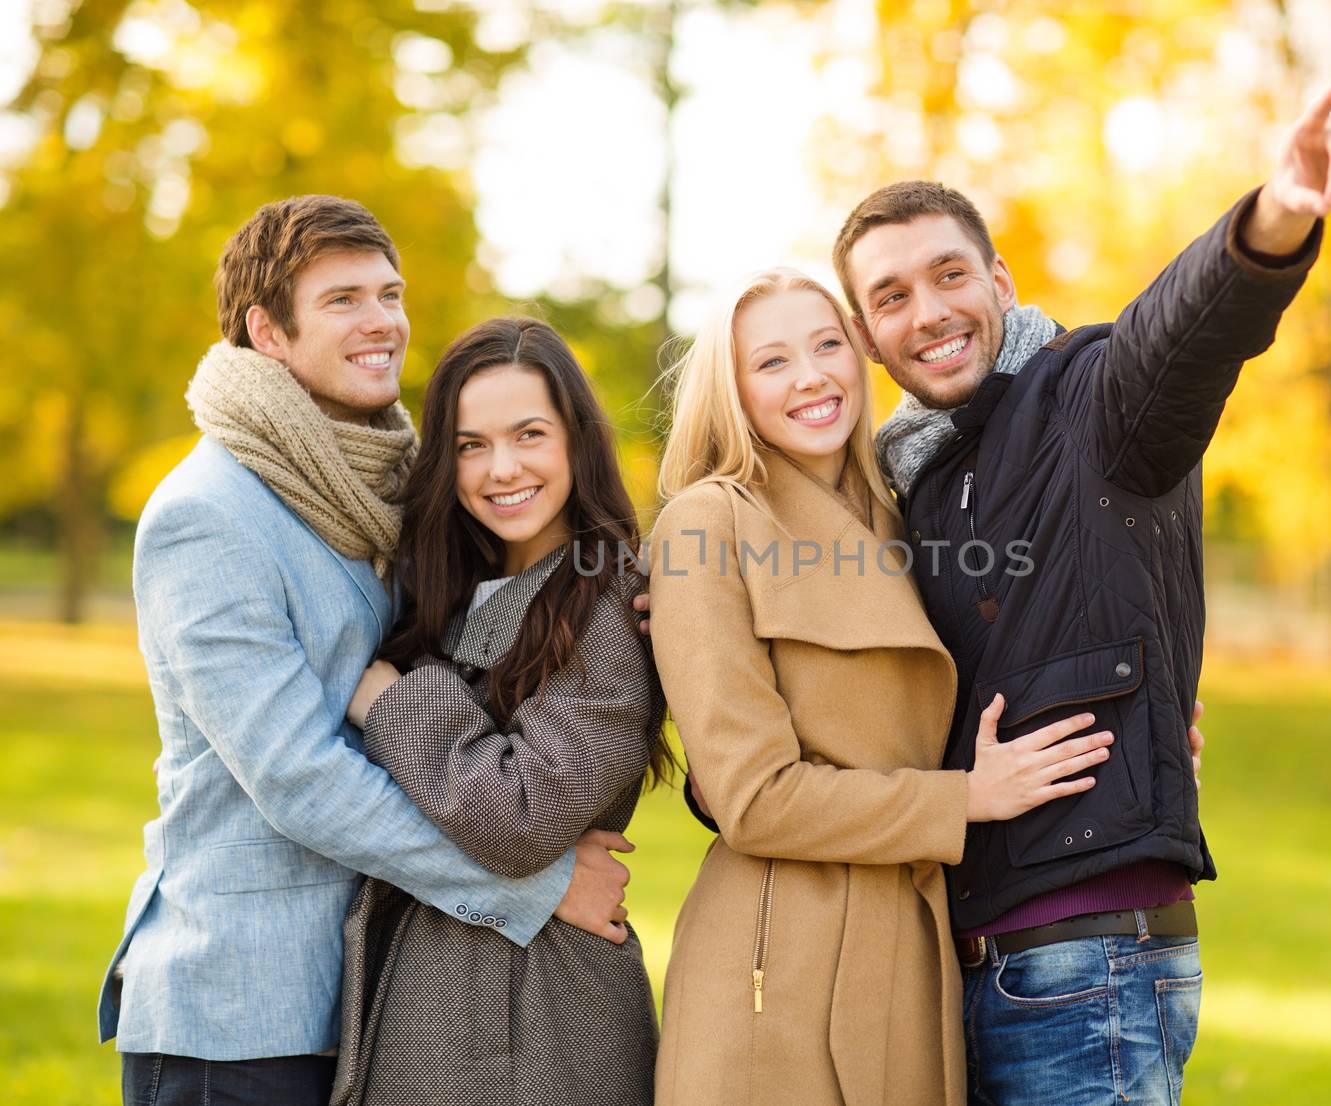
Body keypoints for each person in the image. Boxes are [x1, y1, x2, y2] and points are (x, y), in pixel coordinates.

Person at [824, 82, 1331, 1103]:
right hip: (977, 964)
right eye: (891, 295)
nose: (929, 311)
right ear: (867, 335)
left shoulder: (1092, 398)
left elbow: (1186, 331)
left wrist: (1278, 210)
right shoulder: (906, 483)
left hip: (1088, 963)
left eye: (949, 274)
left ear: (998, 279)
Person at [99, 197, 630, 1106]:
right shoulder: (207, 517)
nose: (382, 320)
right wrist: (535, 887)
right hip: (238, 1012)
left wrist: (655, 591)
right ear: (268, 331)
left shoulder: (371, 492)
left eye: (391, 292)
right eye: (344, 299)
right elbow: (299, 775)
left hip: (365, 1001)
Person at [648, 268, 1120, 1104]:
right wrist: (962, 800)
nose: (811, 377)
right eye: (772, 362)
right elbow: (752, 797)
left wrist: (1143, 729)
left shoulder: (907, 519)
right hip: (778, 964)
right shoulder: (710, 520)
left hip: (912, 942)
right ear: (732, 390)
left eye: (828, 344)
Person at [330, 316, 666, 1105]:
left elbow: (521, 816)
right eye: (471, 444)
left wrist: (394, 698)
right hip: (440, 998)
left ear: (577, 442)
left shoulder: (611, 597)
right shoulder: (440, 594)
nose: (500, 468)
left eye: (529, 434)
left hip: (535, 1017)